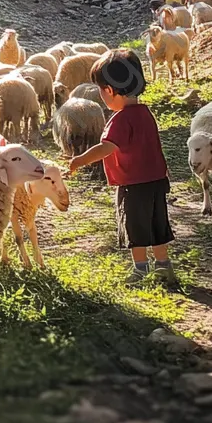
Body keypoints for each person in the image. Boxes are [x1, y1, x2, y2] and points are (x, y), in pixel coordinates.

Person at [67, 48, 177, 286]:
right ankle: (164, 267)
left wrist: (80, 160)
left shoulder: (120, 120)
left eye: (100, 90)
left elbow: (106, 148)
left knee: (134, 227)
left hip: (132, 184)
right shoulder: (145, 113)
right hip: (156, 180)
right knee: (157, 223)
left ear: (109, 90)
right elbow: (154, 145)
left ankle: (140, 270)